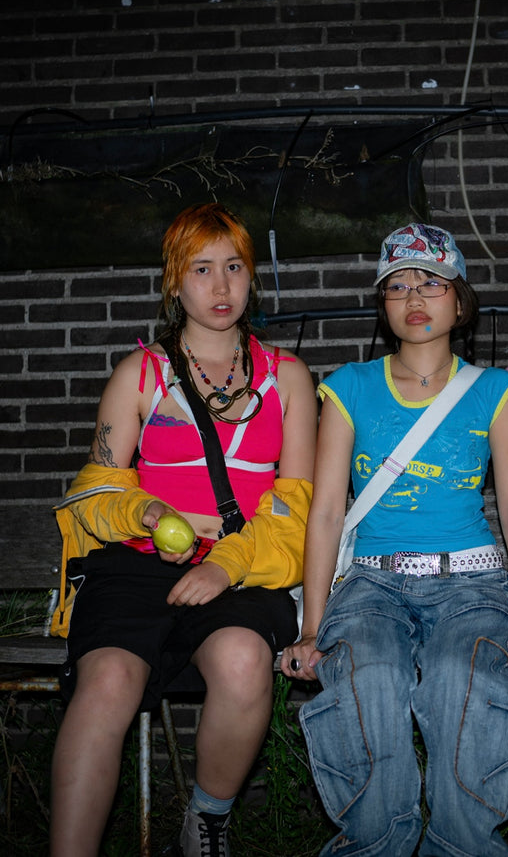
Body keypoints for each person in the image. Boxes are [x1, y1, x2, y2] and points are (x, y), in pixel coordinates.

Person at [281, 222, 508, 857]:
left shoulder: (494, 391)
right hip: (372, 582)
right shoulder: (347, 388)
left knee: (461, 678)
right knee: (370, 675)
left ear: (460, 301)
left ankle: (462, 847)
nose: (414, 297)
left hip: (472, 583)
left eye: (431, 283)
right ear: (382, 304)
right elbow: (325, 514)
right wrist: (312, 628)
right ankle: (375, 844)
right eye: (398, 285)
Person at [49, 203, 317, 857]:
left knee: (243, 660)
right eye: (201, 269)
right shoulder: (139, 374)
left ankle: (205, 824)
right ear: (175, 281)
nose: (221, 286)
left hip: (243, 566)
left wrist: (226, 563)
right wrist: (146, 512)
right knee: (107, 681)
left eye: (234, 267)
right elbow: (94, 490)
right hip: (137, 565)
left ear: (251, 277)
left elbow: (297, 510)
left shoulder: (287, 378)